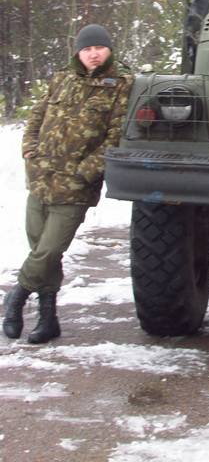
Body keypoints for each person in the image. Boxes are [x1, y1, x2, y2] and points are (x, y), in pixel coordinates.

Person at [2, 24, 133, 344]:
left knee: (49, 249)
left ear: (109, 50)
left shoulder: (122, 85)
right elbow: (36, 116)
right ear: (78, 52)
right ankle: (48, 320)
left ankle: (15, 298)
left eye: (99, 48)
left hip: (75, 186)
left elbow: (116, 138)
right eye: (87, 49)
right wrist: (30, 151)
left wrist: (84, 172)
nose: (93, 54)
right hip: (42, 178)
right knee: (42, 251)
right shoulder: (62, 78)